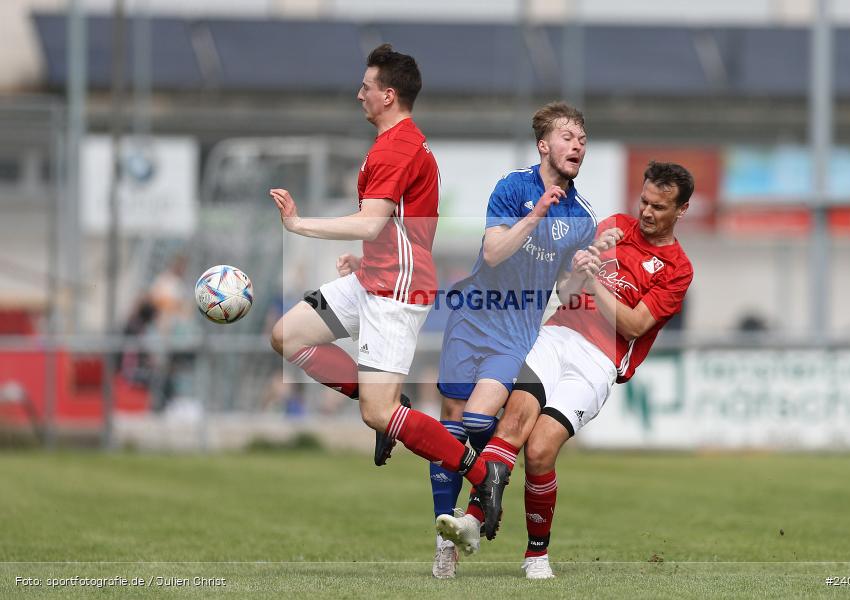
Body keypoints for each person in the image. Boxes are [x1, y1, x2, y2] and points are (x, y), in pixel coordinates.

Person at [268, 43, 502, 520]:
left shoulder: (396, 147)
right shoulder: (398, 142)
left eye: (366, 87)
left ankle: (482, 475)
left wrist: (299, 224)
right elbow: (393, 227)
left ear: (389, 95)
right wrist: (366, 256)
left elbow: (372, 221)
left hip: (396, 291)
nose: (359, 95)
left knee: (378, 415)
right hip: (376, 276)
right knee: (286, 335)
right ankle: (386, 399)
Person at [436, 161, 695, 580]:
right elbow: (565, 290)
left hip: (598, 361)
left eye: (659, 207)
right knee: (513, 423)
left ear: (681, 210)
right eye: (644, 201)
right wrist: (582, 266)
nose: (646, 212)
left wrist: (593, 282)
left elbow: (632, 325)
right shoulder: (612, 226)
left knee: (539, 450)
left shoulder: (678, 269)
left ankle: (536, 555)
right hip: (557, 336)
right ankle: (470, 521)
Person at [428, 102, 601, 578]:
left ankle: (487, 484)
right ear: (544, 145)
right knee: (450, 427)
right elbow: (492, 251)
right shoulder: (512, 187)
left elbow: (564, 292)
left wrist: (581, 277)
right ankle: (444, 540)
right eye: (568, 137)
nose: (578, 146)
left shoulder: (582, 216)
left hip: (516, 332)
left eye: (583, 140)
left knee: (481, 419)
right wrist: (534, 217)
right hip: (472, 319)